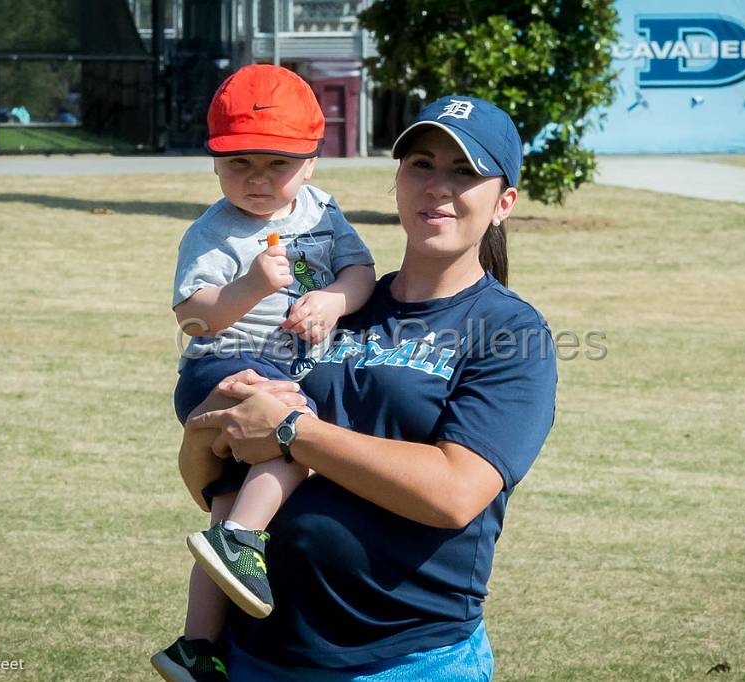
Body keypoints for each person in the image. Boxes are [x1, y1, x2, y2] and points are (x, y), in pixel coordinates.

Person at [182, 95, 558, 680]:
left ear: (503, 202)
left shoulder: (510, 332)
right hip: (259, 652)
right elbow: (206, 476)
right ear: (399, 180)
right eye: (422, 165)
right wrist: (211, 429)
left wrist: (290, 430)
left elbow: (454, 493)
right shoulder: (333, 305)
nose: (437, 187)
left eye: (464, 172)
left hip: (405, 659)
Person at [151, 64, 375, 682]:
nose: (256, 178)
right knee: (297, 432)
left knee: (224, 503)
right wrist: (248, 287)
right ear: (214, 164)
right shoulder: (212, 233)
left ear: (312, 161)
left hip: (277, 365)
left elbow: (360, 273)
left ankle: (197, 647)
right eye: (238, 163)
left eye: (276, 163)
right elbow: (194, 318)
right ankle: (242, 541)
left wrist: (333, 301)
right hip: (219, 367)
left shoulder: (323, 214)